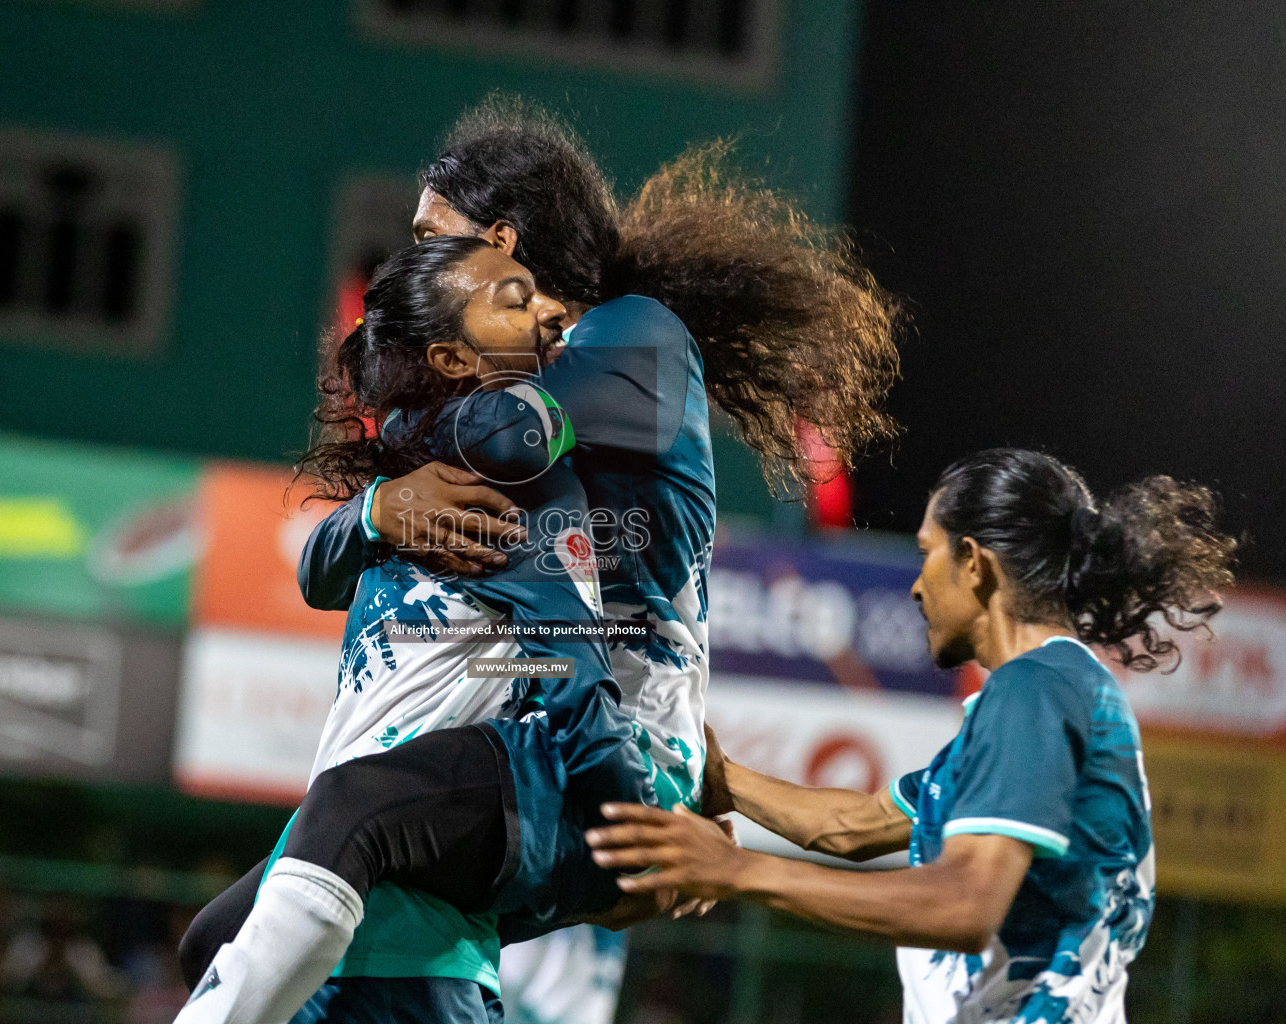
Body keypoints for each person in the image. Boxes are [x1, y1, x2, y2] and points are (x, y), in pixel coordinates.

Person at [179, 96, 902, 1024]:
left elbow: (499, 421)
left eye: (428, 234)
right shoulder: (524, 369)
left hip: (605, 748)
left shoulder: (631, 333)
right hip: (544, 724)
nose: (410, 259)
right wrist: (380, 509)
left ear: (500, 241)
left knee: (355, 815)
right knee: (217, 939)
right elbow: (330, 554)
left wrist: (403, 419)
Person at [585, 448, 1238, 1024]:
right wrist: (723, 782)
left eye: (928, 553)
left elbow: (964, 903)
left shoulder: (1036, 692)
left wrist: (738, 871)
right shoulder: (1051, 692)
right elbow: (857, 825)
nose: (917, 585)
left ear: (974, 562)